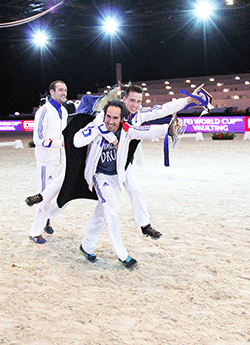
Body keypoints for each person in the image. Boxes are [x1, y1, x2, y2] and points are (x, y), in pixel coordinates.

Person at [92, 84, 205, 240]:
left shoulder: (139, 115)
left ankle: (145, 226)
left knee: (136, 191)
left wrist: (188, 100)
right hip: (101, 166)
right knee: (67, 190)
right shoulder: (111, 113)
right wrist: (113, 139)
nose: (135, 105)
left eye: (139, 102)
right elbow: (97, 125)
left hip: (123, 162)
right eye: (132, 100)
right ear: (124, 99)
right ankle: (48, 215)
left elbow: (163, 109)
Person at [74, 100, 176, 269]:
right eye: (108, 116)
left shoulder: (127, 130)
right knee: (113, 212)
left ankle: (86, 247)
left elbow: (146, 131)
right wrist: (98, 130)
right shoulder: (96, 126)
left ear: (121, 119)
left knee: (100, 215)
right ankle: (123, 255)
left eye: (115, 118)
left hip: (116, 178)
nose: (110, 121)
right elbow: (77, 141)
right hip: (100, 177)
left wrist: (168, 129)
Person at [28, 80, 69, 244]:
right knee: (45, 198)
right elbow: (37, 138)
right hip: (47, 161)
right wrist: (59, 144)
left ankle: (47, 218)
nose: (64, 92)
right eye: (60, 90)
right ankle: (34, 232)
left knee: (66, 196)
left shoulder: (64, 111)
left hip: (62, 160)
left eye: (65, 90)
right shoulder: (43, 111)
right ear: (51, 92)